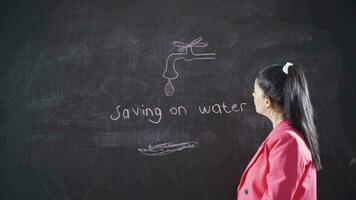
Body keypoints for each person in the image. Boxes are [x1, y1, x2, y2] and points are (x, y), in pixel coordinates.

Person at [236, 62, 323, 199]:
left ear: (267, 101)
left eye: (255, 91)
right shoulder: (284, 136)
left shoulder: (287, 140)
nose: (253, 95)